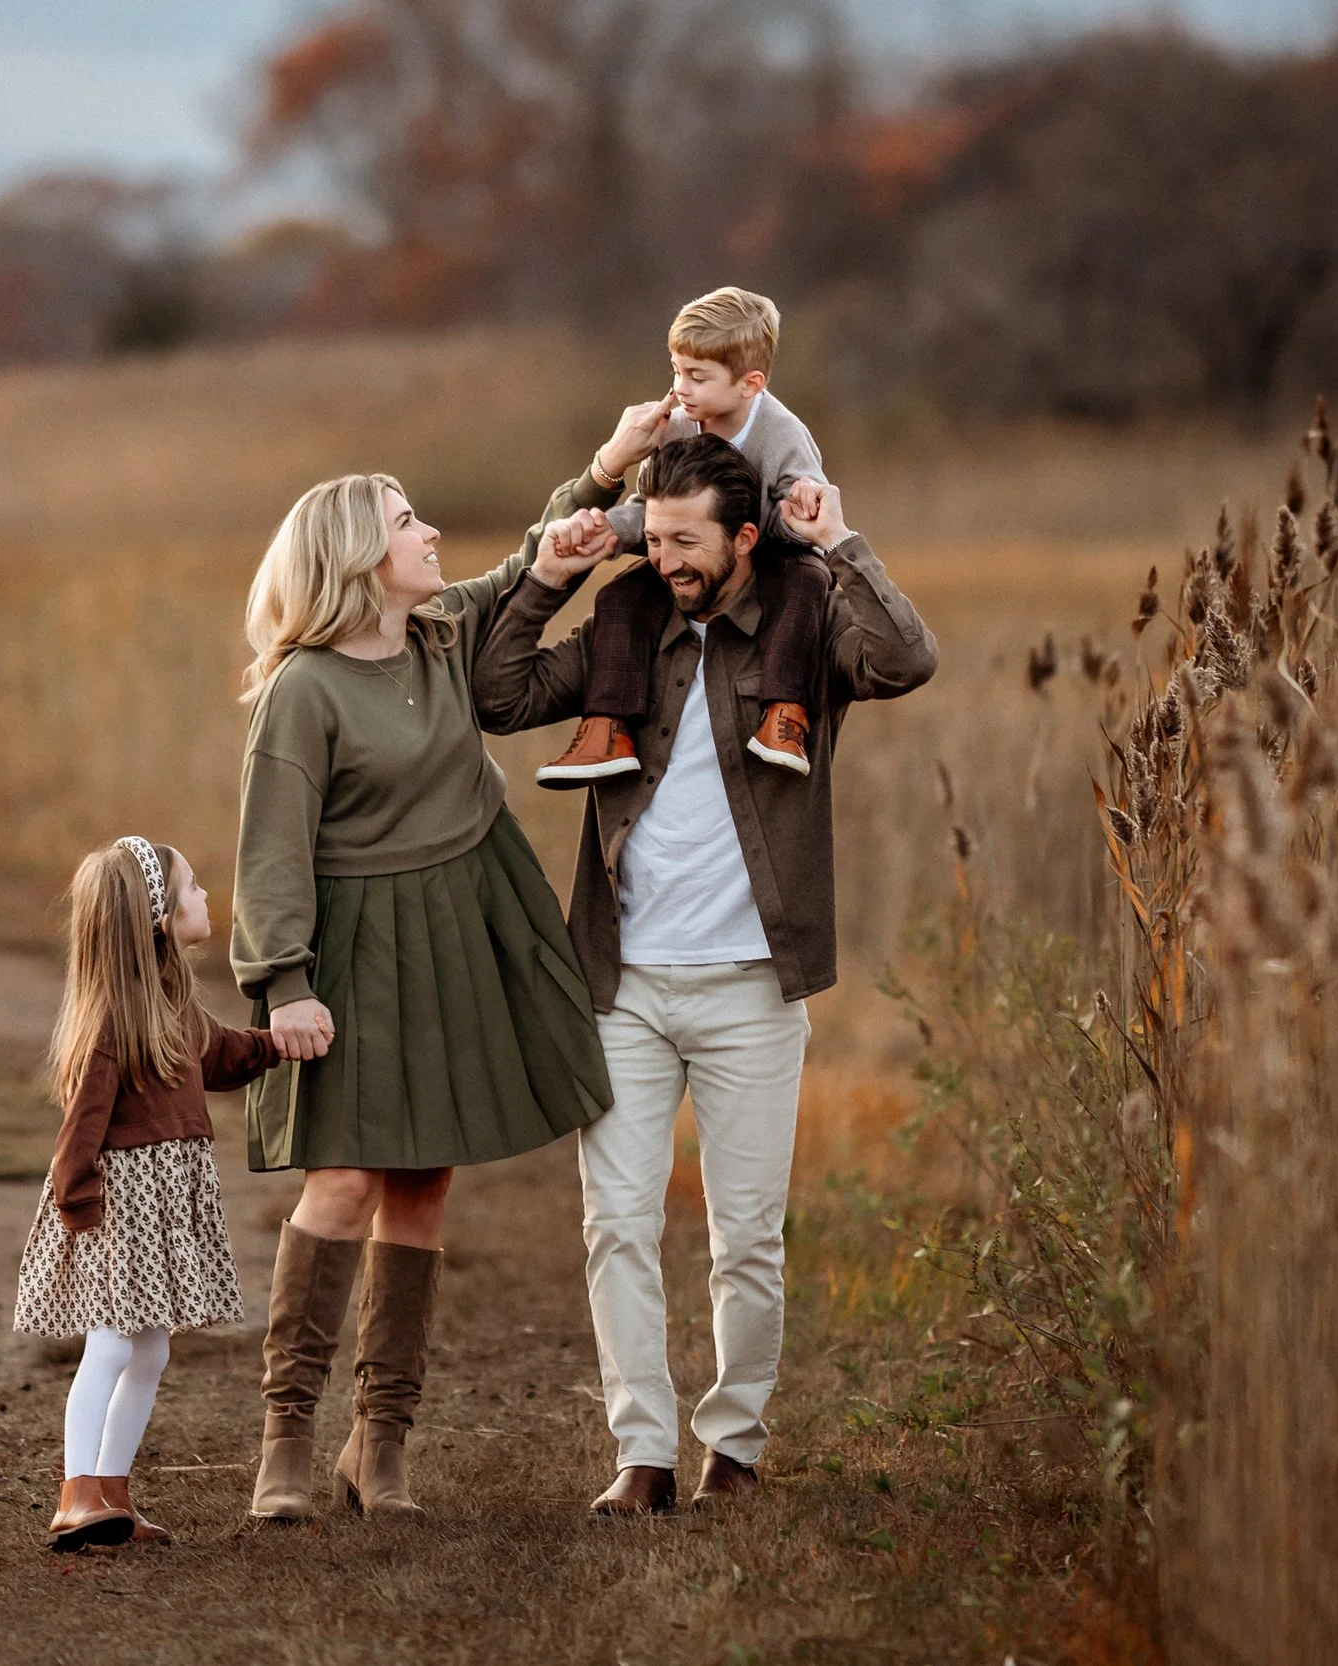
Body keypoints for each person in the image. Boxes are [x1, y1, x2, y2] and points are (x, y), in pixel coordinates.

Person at [474, 435, 939, 1515]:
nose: (667, 558)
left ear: (742, 538)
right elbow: (499, 693)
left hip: (748, 988)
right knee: (617, 1225)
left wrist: (844, 545)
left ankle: (734, 1442)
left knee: (748, 1238)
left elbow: (907, 660)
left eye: (689, 541)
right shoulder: (624, 627)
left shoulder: (804, 628)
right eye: (657, 536)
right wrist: (550, 575)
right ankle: (642, 1453)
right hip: (622, 984)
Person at [232, 473, 612, 1522]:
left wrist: (607, 471)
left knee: (422, 1185)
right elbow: (270, 853)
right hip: (356, 947)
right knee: (344, 1182)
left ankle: (380, 1442)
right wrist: (283, 987)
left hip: (459, 924)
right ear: (359, 555)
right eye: (407, 522)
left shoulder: (442, 632)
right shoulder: (300, 690)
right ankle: (287, 1440)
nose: (432, 531)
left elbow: (541, 557)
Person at [13, 835, 289, 1551]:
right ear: (161, 917)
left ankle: (114, 1495)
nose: (205, 899)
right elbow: (82, 1123)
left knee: (152, 1349)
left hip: (165, 1198)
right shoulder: (116, 1017)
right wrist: (79, 1202)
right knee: (109, 1342)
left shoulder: (170, 1000)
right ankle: (76, 1496)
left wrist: (281, 1042)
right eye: (192, 888)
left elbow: (222, 1055)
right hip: (120, 1202)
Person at [534, 286, 836, 789]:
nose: (681, 388)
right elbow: (652, 510)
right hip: (694, 562)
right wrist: (611, 529)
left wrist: (796, 510)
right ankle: (606, 727)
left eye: (697, 377)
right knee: (620, 596)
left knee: (809, 583)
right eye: (676, 371)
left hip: (773, 557)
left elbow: (804, 519)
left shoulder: (783, 435)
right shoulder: (673, 428)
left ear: (750, 384)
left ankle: (784, 715)